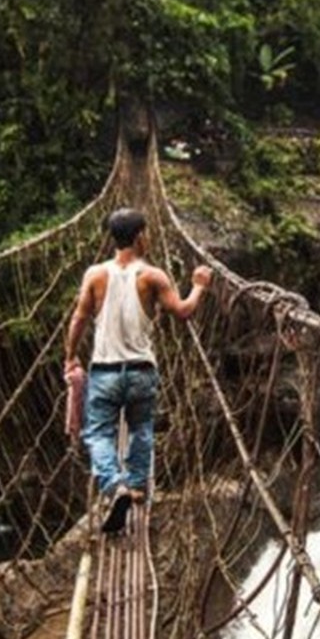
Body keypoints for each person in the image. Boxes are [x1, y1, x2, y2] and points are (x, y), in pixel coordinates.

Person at [64, 207, 213, 533]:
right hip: (141, 371)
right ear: (140, 236)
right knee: (140, 429)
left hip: (104, 371)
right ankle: (136, 487)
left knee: (98, 433)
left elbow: (79, 319)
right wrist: (199, 285)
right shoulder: (153, 276)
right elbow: (183, 311)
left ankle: (113, 485)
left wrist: (70, 356)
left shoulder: (95, 274)